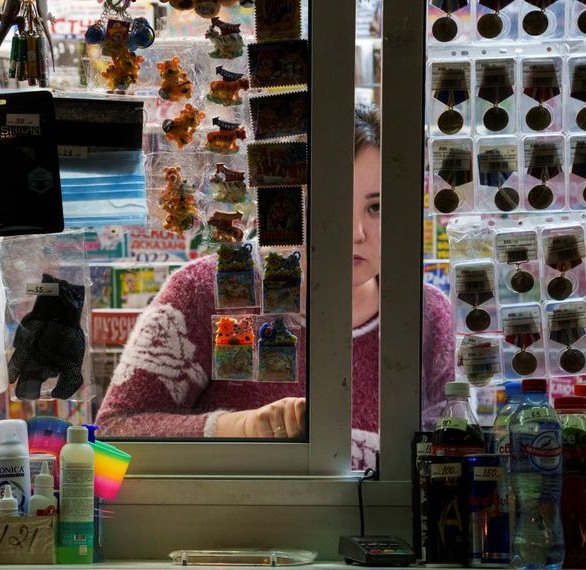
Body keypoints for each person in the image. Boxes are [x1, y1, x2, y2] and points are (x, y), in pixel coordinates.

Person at [95, 104, 453, 468]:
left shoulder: (424, 313)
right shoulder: (204, 290)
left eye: (376, 208)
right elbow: (116, 430)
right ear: (285, 202)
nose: (355, 233)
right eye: (331, 203)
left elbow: (448, 453)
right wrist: (240, 426)